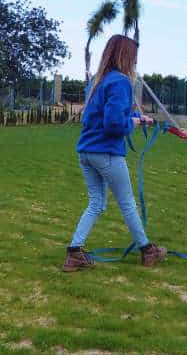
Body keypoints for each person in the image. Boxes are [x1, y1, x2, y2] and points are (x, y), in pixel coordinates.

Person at [63, 34, 167, 272]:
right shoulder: (120, 82)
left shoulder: (99, 81)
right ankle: (147, 251)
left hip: (86, 152)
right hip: (106, 153)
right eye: (134, 57)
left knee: (96, 203)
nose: (135, 62)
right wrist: (134, 124)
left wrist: (137, 117)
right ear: (126, 56)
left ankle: (73, 254)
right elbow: (112, 125)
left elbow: (101, 118)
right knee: (127, 203)